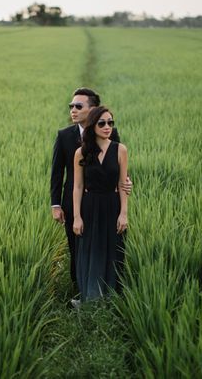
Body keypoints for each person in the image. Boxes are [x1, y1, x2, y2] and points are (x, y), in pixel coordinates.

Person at [50, 88, 131, 294]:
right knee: (78, 248)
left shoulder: (111, 135)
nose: (73, 110)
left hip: (108, 201)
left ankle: (108, 292)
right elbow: (57, 173)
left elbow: (118, 167)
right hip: (76, 202)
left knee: (109, 248)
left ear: (92, 109)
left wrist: (127, 183)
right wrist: (56, 204)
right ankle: (81, 291)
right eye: (71, 107)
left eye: (78, 106)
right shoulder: (65, 136)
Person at [72, 107, 128, 303]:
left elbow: (123, 184)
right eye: (102, 123)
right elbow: (78, 186)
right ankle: (90, 298)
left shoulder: (120, 149)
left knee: (112, 250)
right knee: (90, 250)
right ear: (93, 125)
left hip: (112, 206)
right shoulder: (81, 152)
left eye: (111, 123)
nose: (107, 127)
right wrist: (77, 217)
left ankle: (111, 298)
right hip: (89, 206)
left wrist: (124, 213)